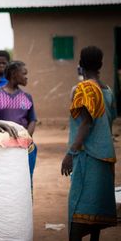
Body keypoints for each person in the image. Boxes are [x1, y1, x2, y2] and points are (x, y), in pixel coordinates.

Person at [61, 46, 117, 241]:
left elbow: (86, 123)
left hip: (88, 156)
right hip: (106, 157)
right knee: (96, 210)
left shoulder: (84, 88)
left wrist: (70, 153)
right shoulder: (108, 90)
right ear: (100, 65)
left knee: (79, 207)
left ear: (81, 65)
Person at [0, 61, 38, 185]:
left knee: (24, 180)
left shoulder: (27, 97)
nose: (26, 77)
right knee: (5, 180)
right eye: (24, 73)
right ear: (14, 74)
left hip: (23, 145)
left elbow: (32, 120)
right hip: (2, 146)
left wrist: (26, 138)